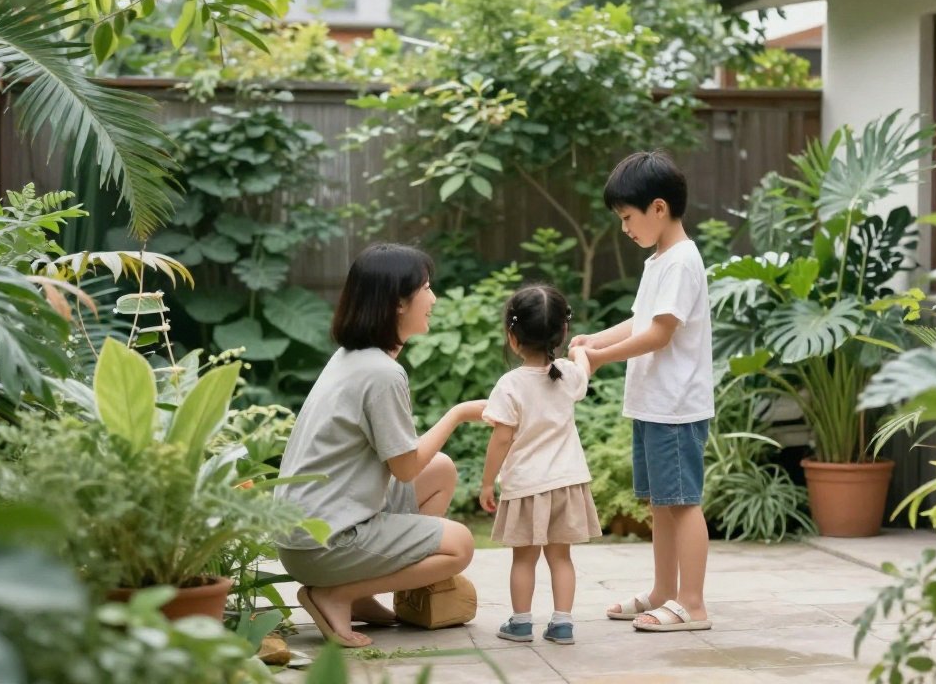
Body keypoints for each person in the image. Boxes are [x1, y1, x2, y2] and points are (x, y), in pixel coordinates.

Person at [274, 244, 485, 648]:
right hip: (326, 543)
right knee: (460, 544)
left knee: (440, 469)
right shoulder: (381, 373)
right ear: (398, 303)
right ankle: (336, 594)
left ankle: (360, 590)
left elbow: (407, 464)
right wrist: (457, 414)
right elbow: (405, 469)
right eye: (425, 287)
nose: (433, 297)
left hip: (304, 534)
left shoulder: (351, 357)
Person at [571, 151, 715, 633]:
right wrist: (595, 339)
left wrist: (597, 359)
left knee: (683, 502)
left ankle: (691, 603)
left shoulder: (681, 261)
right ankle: (662, 591)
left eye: (628, 218)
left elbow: (660, 335)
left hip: (676, 407)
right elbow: (640, 321)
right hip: (656, 403)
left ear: (658, 208)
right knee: (660, 502)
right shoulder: (659, 261)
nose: (625, 228)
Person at [480, 285, 602, 645]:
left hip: (526, 486)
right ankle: (562, 623)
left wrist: (488, 483)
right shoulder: (567, 374)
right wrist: (580, 351)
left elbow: (501, 438)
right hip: (566, 483)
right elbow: (583, 367)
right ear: (561, 332)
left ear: (512, 337)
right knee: (561, 558)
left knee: (524, 560)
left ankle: (520, 623)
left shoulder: (510, 384)